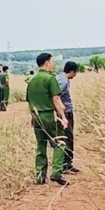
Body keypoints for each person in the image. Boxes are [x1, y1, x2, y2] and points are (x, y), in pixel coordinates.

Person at [26, 52, 70, 186]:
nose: (53, 64)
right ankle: (56, 172)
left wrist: (32, 117)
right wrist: (63, 117)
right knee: (60, 142)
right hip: (48, 115)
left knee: (41, 146)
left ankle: (40, 176)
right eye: (52, 62)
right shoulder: (50, 79)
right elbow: (56, 99)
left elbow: (29, 102)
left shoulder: (32, 80)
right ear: (47, 62)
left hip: (36, 116)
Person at [56, 60, 81, 174]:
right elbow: (56, 97)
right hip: (65, 113)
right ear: (72, 71)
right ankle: (66, 165)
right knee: (68, 138)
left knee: (65, 138)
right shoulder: (64, 82)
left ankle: (66, 164)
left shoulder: (59, 78)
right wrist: (62, 111)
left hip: (64, 112)